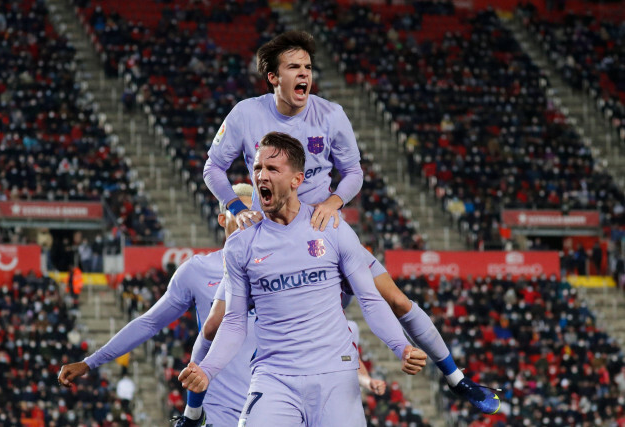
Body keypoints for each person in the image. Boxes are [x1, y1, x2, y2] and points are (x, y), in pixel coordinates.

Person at [201, 30, 501, 414]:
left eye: (308, 66)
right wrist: (234, 205)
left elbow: (354, 171)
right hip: (269, 237)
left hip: (325, 233)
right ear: (273, 77)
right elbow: (213, 167)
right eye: (294, 66)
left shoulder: (331, 115)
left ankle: (457, 378)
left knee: (395, 299)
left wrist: (335, 200)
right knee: (214, 325)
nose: (304, 73)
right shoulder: (245, 113)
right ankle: (197, 409)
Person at [180, 132, 427, 426]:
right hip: (274, 376)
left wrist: (401, 346)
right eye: (258, 168)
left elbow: (370, 299)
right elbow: (234, 322)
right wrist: (207, 369)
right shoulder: (240, 245)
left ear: (297, 180)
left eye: (272, 169)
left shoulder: (332, 228)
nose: (262, 176)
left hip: (335, 373)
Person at [58, 184, 257, 427]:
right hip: (218, 407)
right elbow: (149, 323)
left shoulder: (275, 268)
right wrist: (90, 362)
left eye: (254, 212)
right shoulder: (197, 270)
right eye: (238, 211)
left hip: (269, 403)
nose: (247, 218)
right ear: (220, 218)